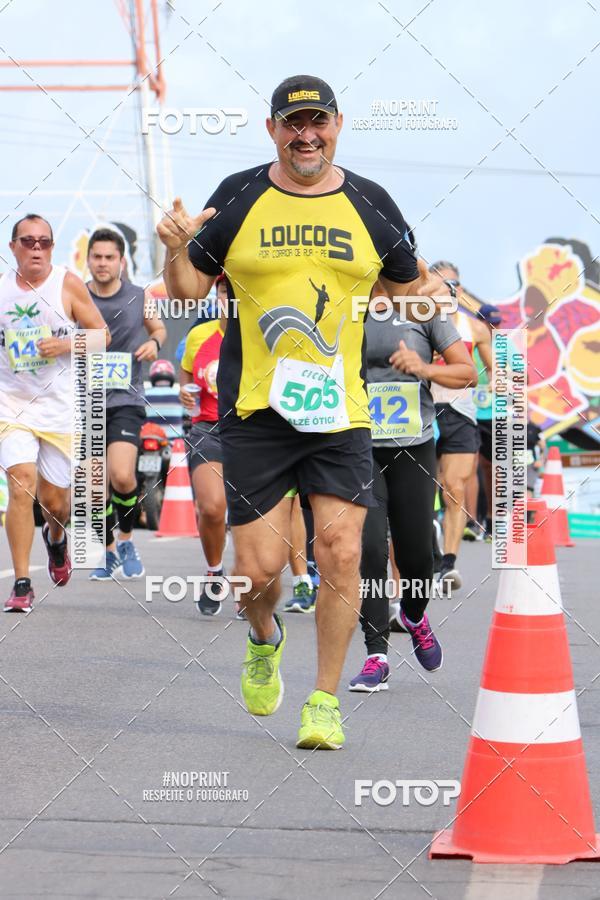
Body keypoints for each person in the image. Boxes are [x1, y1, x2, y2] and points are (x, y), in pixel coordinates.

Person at [157, 74, 440, 750]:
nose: (305, 135)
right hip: (256, 410)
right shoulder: (238, 194)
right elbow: (189, 287)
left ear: (336, 125)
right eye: (292, 124)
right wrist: (173, 248)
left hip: (340, 413)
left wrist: (429, 294)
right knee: (258, 572)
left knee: (340, 550)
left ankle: (323, 702)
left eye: (317, 122)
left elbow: (409, 287)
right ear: (272, 130)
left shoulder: (371, 202)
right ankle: (264, 636)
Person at [349, 288, 476, 691]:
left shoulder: (424, 311)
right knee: (369, 549)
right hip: (358, 446)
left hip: (412, 446)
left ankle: (414, 615)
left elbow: (467, 371)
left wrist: (424, 368)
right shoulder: (344, 302)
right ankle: (376, 655)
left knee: (417, 554)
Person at [0, 214, 108, 611]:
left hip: (59, 407)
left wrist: (66, 346)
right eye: (27, 241)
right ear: (12, 247)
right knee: (21, 484)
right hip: (10, 404)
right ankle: (23, 583)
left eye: (44, 242)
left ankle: (57, 539)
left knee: (55, 504)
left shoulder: (67, 283)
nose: (36, 249)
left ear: (52, 248)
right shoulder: (1, 291)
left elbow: (102, 335)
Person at [86, 228, 166, 580]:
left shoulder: (140, 295)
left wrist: (155, 343)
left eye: (109, 257)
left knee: (120, 474)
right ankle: (106, 552)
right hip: (84, 402)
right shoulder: (76, 296)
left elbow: (160, 329)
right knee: (92, 487)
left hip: (125, 399)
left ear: (121, 261)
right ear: (89, 260)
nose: (102, 263)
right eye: (97, 257)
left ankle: (127, 539)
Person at [429, 263, 492, 591]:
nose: (447, 290)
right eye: (439, 284)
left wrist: (498, 384)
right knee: (425, 490)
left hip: (461, 415)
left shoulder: (474, 328)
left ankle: (448, 565)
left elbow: (497, 369)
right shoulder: (415, 323)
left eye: (452, 284)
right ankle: (432, 546)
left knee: (453, 487)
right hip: (422, 411)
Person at [179, 282, 228, 616]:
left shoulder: (264, 333)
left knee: (253, 519)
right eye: (223, 290)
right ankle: (215, 569)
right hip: (207, 428)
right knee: (212, 508)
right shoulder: (200, 335)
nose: (229, 297)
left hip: (255, 433)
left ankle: (252, 584)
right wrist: (184, 392)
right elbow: (186, 374)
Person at [473, 303, 502, 539]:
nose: (493, 328)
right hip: (468, 413)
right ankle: (470, 522)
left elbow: (525, 375)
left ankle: (492, 521)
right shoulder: (466, 340)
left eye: (497, 324)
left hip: (494, 416)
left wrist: (503, 377)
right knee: (467, 469)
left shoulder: (504, 344)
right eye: (489, 323)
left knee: (492, 469)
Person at [144, 359, 184, 440]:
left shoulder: (144, 395)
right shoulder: (179, 395)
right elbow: (190, 413)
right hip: (174, 443)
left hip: (149, 441)